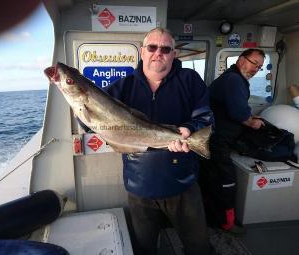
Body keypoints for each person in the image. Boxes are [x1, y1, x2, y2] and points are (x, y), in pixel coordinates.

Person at [105, 28, 214, 255]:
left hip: (183, 183)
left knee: (199, 247)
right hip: (140, 186)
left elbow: (206, 117)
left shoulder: (190, 80)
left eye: (165, 49)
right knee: (144, 249)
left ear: (173, 54)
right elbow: (90, 118)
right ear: (143, 52)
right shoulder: (122, 87)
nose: (158, 53)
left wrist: (189, 130)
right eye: (152, 47)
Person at [202, 49, 265, 232]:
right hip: (217, 140)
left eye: (259, 67)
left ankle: (210, 216)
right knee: (225, 180)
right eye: (254, 63)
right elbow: (239, 113)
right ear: (240, 60)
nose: (256, 69)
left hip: (213, 137)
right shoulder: (234, 80)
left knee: (211, 178)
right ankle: (226, 223)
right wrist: (255, 123)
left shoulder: (232, 78)